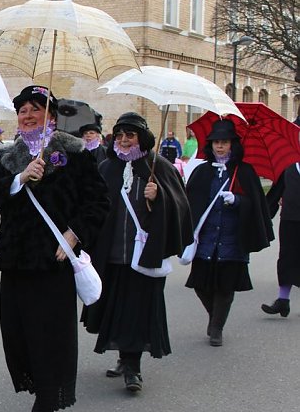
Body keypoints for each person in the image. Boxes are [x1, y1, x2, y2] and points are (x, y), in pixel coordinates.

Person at [0, 85, 109, 412]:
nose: (29, 115)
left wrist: (72, 235)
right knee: (19, 333)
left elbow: (98, 202)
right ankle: (39, 389)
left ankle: (46, 407)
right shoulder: (8, 155)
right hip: (17, 259)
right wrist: (20, 178)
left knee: (49, 335)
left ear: (51, 115)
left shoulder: (74, 152)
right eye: (23, 110)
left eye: (37, 109)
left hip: (53, 262)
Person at [83, 112, 192, 391]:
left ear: (141, 138)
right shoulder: (107, 167)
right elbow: (91, 205)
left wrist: (160, 198)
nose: (124, 140)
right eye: (119, 135)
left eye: (130, 135)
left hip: (142, 256)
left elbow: (181, 207)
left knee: (136, 311)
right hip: (111, 255)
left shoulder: (159, 167)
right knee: (116, 310)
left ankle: (133, 367)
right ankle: (124, 357)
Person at [184, 120, 272, 346]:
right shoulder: (203, 171)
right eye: (216, 143)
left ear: (233, 145)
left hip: (232, 238)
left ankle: (217, 328)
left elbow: (255, 203)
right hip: (206, 238)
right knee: (200, 284)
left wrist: (238, 200)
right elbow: (188, 200)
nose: (219, 147)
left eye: (224, 143)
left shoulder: (244, 171)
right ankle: (215, 317)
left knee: (225, 285)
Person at [261, 161, 300, 317]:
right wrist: (262, 218)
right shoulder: (288, 169)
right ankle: (283, 300)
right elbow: (274, 195)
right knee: (286, 259)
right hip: (289, 220)